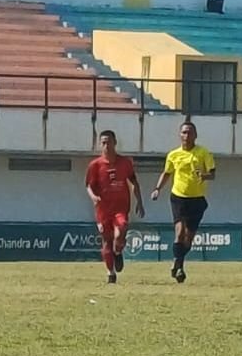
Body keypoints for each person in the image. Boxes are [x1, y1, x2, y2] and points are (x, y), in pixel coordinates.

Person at [150, 121, 215, 283]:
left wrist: (204, 176)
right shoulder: (173, 155)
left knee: (189, 238)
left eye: (190, 132)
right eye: (184, 132)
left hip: (197, 199)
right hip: (178, 197)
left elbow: (212, 174)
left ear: (195, 135)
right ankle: (178, 266)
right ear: (180, 135)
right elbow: (167, 173)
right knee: (179, 232)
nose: (187, 135)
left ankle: (178, 262)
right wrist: (157, 188)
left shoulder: (203, 153)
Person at [85, 130, 144, 284]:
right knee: (106, 240)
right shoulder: (95, 165)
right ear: (100, 145)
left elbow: (134, 182)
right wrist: (93, 197)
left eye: (109, 142)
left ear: (115, 143)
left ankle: (118, 252)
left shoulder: (125, 163)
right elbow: (89, 186)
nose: (107, 146)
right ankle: (110, 273)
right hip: (103, 210)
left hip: (120, 208)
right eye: (103, 143)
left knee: (121, 231)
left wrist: (140, 202)